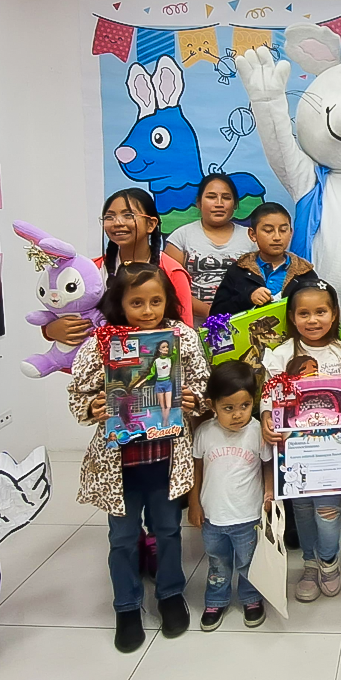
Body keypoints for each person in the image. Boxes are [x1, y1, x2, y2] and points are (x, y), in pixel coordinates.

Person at [67, 262, 206, 652]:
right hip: (121, 464)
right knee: (124, 537)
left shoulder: (181, 337)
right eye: (137, 303)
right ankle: (126, 607)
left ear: (168, 301)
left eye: (156, 301)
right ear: (120, 303)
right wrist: (93, 407)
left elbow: (201, 383)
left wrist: (194, 399)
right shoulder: (102, 342)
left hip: (166, 458)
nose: (147, 311)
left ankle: (170, 594)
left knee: (168, 530)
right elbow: (78, 394)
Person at [258, 280, 341, 603]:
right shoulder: (281, 355)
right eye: (304, 313)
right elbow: (268, 396)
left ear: (334, 314)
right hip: (294, 451)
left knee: (327, 510)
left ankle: (329, 561)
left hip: (334, 452)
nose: (312, 320)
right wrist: (266, 417)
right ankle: (310, 563)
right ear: (292, 317)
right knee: (303, 510)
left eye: (320, 312)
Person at [43, 189, 196, 353]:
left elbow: (185, 332)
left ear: (151, 224)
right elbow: (62, 310)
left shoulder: (172, 272)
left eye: (128, 215)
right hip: (96, 361)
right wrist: (49, 330)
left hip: (157, 362)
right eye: (110, 217)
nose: (117, 223)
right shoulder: (89, 270)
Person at [190, 360, 273, 631]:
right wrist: (193, 503)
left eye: (245, 406)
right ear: (212, 405)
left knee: (248, 561)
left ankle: (251, 598)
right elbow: (197, 469)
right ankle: (216, 599)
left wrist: (269, 492)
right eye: (228, 408)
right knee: (217, 562)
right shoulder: (204, 432)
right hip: (213, 517)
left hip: (247, 517)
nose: (238, 415)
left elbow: (267, 465)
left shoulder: (257, 432)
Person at [166, 173, 257, 323]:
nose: (219, 203)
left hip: (241, 322)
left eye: (226, 198)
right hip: (193, 326)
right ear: (199, 203)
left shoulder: (251, 238)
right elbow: (170, 287)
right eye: (211, 197)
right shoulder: (181, 237)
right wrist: (211, 313)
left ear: (235, 204)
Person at [210, 202, 320, 316]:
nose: (277, 237)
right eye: (268, 230)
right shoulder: (239, 271)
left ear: (291, 233)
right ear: (252, 234)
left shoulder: (305, 273)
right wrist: (248, 297)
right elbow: (216, 315)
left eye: (283, 230)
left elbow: (317, 311)